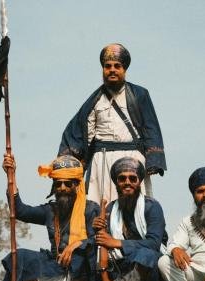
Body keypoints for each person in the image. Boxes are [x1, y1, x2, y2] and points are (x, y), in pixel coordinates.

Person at [58, 43, 166, 203]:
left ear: (124, 69)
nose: (112, 70)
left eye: (117, 66)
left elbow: (151, 127)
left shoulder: (140, 95)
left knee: (136, 210)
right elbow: (78, 131)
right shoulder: (94, 100)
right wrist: (68, 162)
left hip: (133, 160)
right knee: (100, 212)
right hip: (101, 163)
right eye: (108, 66)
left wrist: (153, 161)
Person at [0, 154, 100, 281]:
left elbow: (99, 240)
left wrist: (76, 244)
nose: (63, 187)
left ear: (77, 185)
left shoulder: (91, 209)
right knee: (17, 257)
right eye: (58, 184)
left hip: (82, 274)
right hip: (55, 266)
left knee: (80, 254)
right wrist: (11, 175)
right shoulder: (50, 210)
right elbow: (20, 211)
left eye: (68, 183)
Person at [90, 157, 167, 281]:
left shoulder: (152, 206)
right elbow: (103, 243)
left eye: (132, 178)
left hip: (147, 263)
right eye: (122, 178)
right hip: (119, 262)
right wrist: (98, 230)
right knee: (90, 250)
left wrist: (117, 243)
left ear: (139, 182)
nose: (127, 182)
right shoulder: (110, 208)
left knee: (146, 255)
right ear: (116, 183)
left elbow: (154, 243)